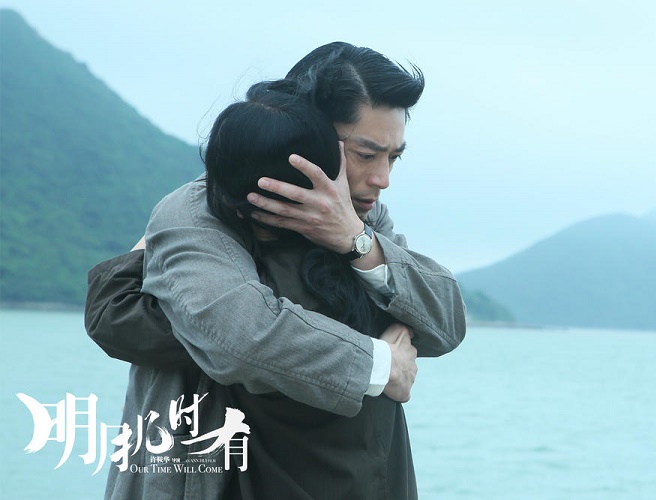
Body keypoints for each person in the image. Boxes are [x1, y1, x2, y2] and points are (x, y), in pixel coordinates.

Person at [85, 42, 466, 497]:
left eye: (394, 157)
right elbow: (238, 335)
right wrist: (382, 363)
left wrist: (356, 242)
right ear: (306, 131)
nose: (383, 179)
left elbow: (445, 323)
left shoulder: (362, 215)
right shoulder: (197, 212)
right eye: (366, 155)